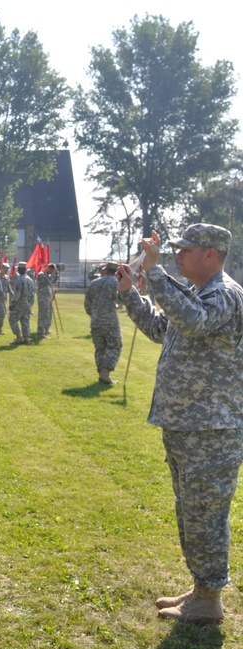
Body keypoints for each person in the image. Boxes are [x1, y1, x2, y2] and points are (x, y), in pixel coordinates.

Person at [116, 224, 243, 624]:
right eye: (177, 249)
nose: (178, 255)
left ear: (211, 254)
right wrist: (130, 293)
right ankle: (201, 589)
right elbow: (162, 327)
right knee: (191, 511)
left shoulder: (223, 293)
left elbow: (193, 321)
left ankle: (209, 599)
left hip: (212, 429)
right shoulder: (197, 293)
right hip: (188, 425)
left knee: (205, 513)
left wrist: (155, 273)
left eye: (186, 249)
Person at [84, 262, 122, 384]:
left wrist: (93, 314)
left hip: (95, 320)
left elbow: (87, 302)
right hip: (110, 320)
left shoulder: (94, 283)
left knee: (100, 348)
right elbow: (121, 298)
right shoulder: (116, 283)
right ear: (115, 271)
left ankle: (102, 373)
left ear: (105, 270)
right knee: (115, 346)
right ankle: (105, 373)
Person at [8, 261, 35, 345]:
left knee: (12, 319)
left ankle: (19, 337)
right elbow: (32, 294)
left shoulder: (20, 280)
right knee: (25, 321)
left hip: (19, 304)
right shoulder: (30, 280)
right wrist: (30, 305)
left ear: (19, 269)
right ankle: (26, 339)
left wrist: (12, 303)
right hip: (27, 304)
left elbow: (17, 294)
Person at [36, 262, 58, 339]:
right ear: (48, 268)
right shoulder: (41, 275)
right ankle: (40, 332)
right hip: (43, 297)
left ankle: (46, 329)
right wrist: (54, 274)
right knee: (43, 315)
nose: (52, 272)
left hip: (48, 296)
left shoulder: (47, 275)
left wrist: (55, 274)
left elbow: (53, 282)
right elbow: (49, 281)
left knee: (48, 314)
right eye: (52, 270)